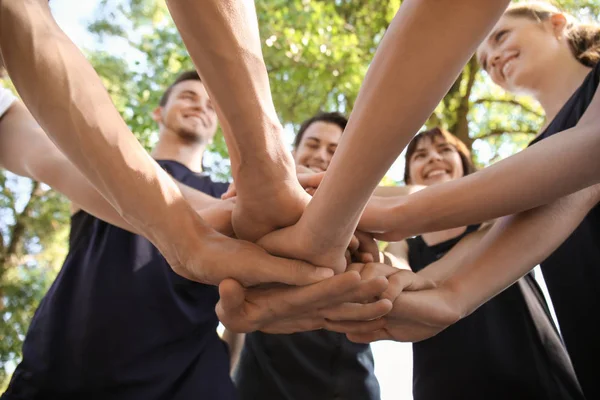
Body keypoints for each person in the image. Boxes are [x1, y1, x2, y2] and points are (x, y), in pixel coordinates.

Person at [0, 0, 397, 337]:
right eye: (188, 96)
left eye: (211, 103)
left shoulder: (229, 193)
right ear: (158, 111)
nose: (200, 106)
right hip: (64, 370)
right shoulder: (91, 156)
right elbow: (44, 149)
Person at [335, 4, 600, 399]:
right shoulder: (534, 158)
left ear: (557, 22)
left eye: (500, 35)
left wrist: (367, 203)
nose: (492, 57)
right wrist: (442, 289)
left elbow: (584, 155)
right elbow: (558, 197)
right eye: (483, 57)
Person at [385, 127, 583, 400]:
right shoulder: (406, 246)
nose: (433, 158)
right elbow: (392, 266)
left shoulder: (500, 217)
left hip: (535, 382)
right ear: (407, 176)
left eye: (445, 150)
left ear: (465, 168)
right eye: (420, 155)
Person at [232, 112, 381, 400]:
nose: (321, 155)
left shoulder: (367, 215)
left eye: (334, 150)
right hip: (262, 382)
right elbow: (238, 306)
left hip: (350, 383)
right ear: (293, 153)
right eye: (313, 144)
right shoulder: (254, 213)